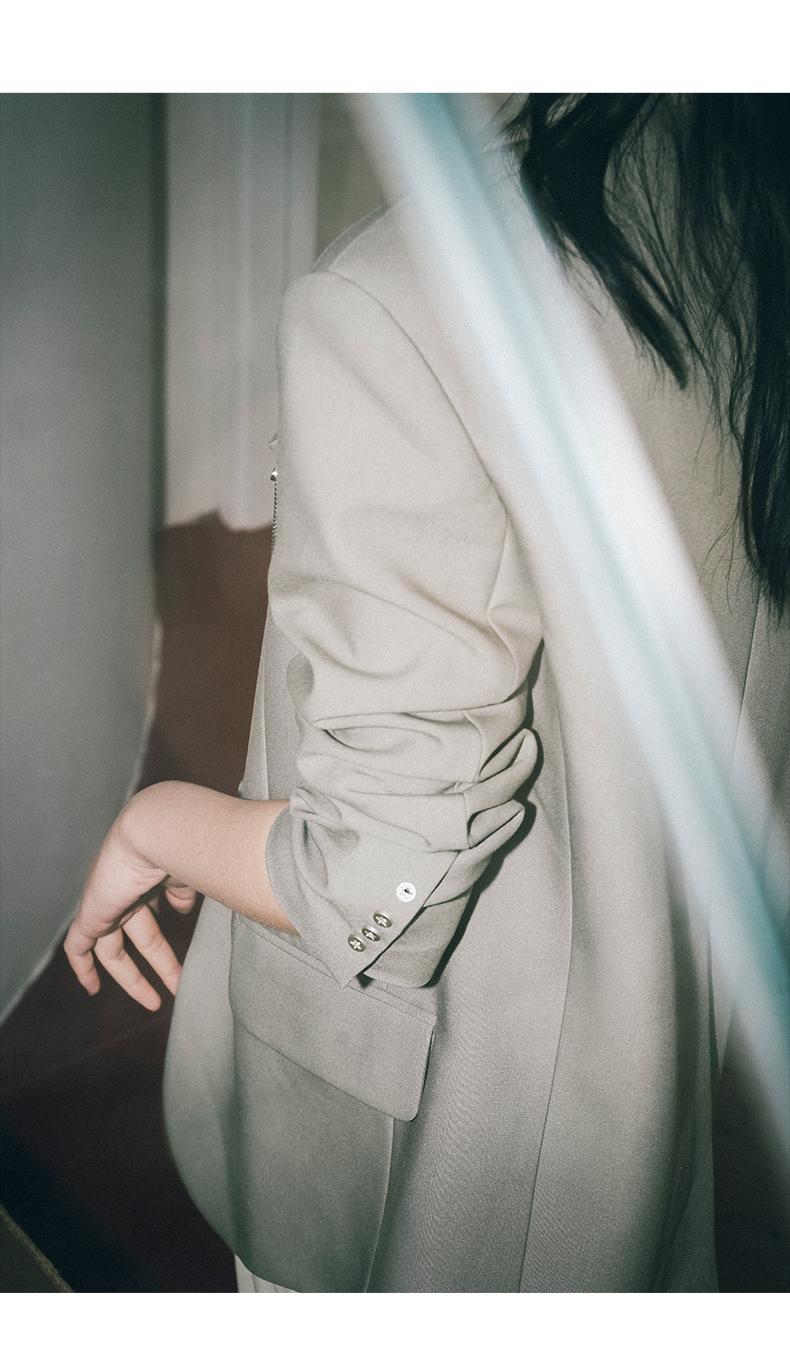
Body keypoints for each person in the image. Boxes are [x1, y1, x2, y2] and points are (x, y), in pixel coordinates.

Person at [65, 94, 789, 1292]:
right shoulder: (735, 203)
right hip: (688, 1089)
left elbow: (382, 875)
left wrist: (153, 825)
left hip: (453, 1151)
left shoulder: (401, 301)